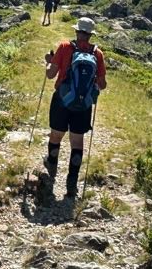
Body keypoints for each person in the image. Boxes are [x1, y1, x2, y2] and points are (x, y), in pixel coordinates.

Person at [43, 16, 106, 197]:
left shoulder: (64, 47)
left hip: (62, 100)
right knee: (77, 142)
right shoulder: (97, 54)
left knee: (56, 134)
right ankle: (72, 183)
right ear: (90, 35)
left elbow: (50, 75)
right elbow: (102, 84)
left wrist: (49, 61)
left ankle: (52, 165)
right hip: (83, 104)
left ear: (77, 31)